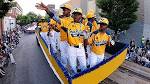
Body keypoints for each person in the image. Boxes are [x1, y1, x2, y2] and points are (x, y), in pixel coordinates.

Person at [36, 3, 73, 68]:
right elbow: (58, 30)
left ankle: (74, 71)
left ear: (69, 11)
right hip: (62, 41)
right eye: (63, 10)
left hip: (71, 42)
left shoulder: (72, 20)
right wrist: (52, 27)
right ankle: (64, 71)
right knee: (63, 56)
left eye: (65, 10)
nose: (63, 11)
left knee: (71, 57)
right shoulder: (62, 20)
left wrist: (47, 9)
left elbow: (55, 18)